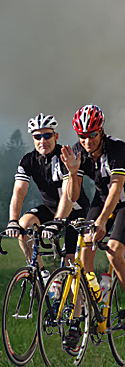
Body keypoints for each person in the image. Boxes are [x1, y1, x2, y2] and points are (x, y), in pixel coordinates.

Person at [61, 105, 125, 336]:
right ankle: (81, 317)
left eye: (92, 135)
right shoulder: (77, 151)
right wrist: (74, 173)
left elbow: (116, 188)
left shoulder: (119, 149)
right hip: (100, 199)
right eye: (82, 136)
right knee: (82, 254)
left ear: (102, 131)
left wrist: (103, 221)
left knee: (113, 251)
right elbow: (74, 197)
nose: (87, 141)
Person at [5, 113, 90, 272]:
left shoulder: (65, 156)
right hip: (51, 209)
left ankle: (79, 295)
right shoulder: (28, 160)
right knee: (24, 228)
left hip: (75, 211)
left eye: (47, 135)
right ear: (33, 139)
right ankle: (41, 275)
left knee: (70, 262)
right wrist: (13, 220)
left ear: (55, 136)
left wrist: (58, 221)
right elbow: (19, 191)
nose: (42, 141)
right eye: (37, 137)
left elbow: (67, 195)